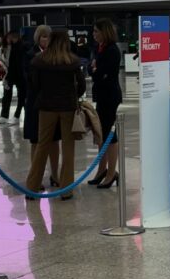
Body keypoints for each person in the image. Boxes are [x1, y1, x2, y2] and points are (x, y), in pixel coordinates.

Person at [25, 31, 86, 199]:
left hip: (46, 108)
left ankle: (32, 187)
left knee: (42, 146)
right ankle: (66, 190)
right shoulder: (72, 61)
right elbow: (81, 86)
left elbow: (33, 84)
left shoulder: (39, 60)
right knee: (68, 148)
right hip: (67, 108)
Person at [22, 25, 60, 187]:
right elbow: (28, 80)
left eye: (49, 37)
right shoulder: (29, 55)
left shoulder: (56, 55)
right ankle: (36, 176)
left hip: (53, 103)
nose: (46, 40)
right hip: (35, 104)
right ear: (38, 38)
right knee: (36, 141)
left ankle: (55, 174)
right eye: (44, 37)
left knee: (54, 140)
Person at [89, 18, 122, 188]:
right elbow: (92, 69)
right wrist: (94, 70)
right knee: (100, 132)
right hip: (101, 95)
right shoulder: (99, 49)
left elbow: (102, 74)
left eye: (96, 31)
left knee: (109, 133)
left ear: (104, 32)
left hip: (110, 96)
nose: (93, 34)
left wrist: (95, 71)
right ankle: (102, 169)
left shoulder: (112, 50)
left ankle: (111, 172)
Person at [0, 31, 27, 126]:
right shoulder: (3, 48)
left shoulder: (21, 47)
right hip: (8, 74)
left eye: (12, 38)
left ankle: (17, 116)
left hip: (19, 75)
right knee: (6, 95)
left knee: (21, 96)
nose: (9, 39)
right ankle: (4, 116)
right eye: (8, 38)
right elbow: (0, 59)